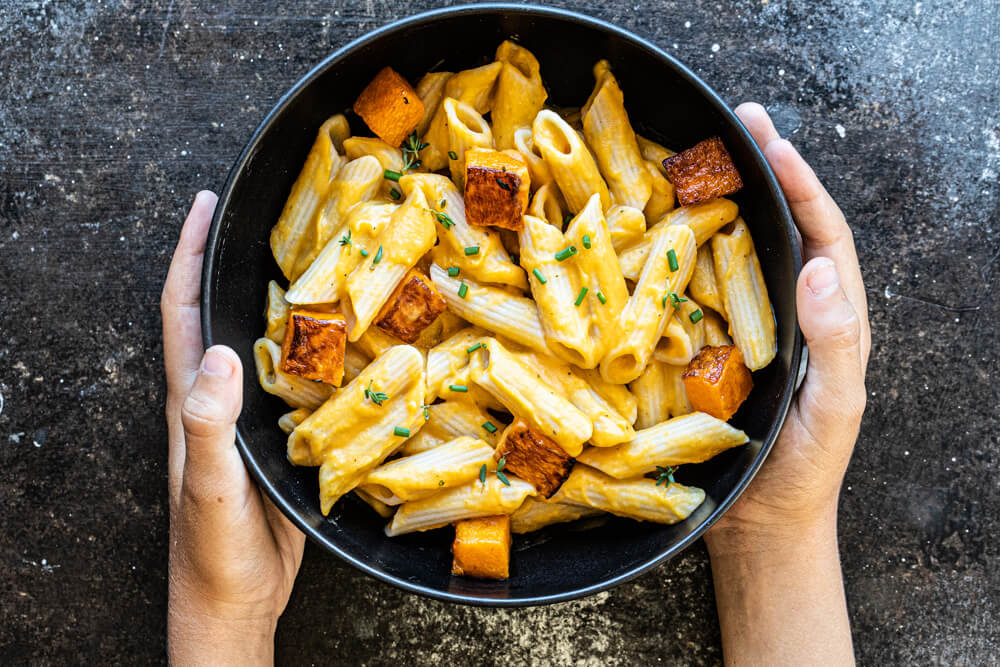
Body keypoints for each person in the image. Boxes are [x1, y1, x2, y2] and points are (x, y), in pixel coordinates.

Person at [161, 104, 870, 665]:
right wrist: (774, 537)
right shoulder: (437, 258)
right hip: (435, 410)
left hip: (556, 410)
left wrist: (227, 618)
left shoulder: (613, 256)